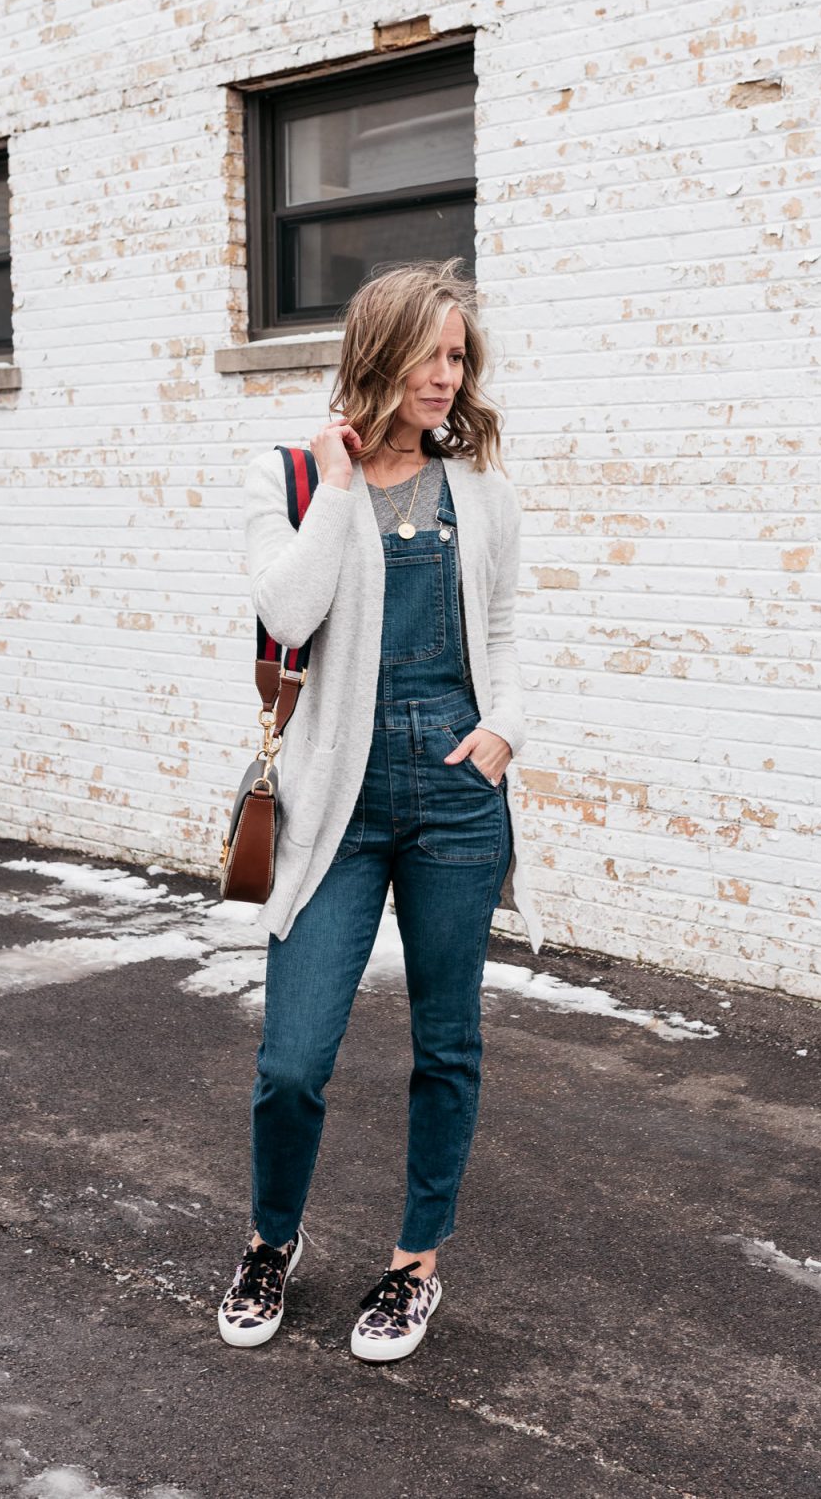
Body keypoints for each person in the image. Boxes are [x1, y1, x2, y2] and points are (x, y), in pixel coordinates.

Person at [218, 257, 541, 1363]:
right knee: (293, 1059)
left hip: (454, 794)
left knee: (447, 1045)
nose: (448, 376)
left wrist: (506, 728)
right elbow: (287, 607)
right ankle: (273, 1239)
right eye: (431, 353)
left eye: (461, 358)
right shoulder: (292, 479)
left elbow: (502, 631)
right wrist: (339, 480)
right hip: (335, 808)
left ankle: (415, 1267)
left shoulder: (484, 490)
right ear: (380, 349)